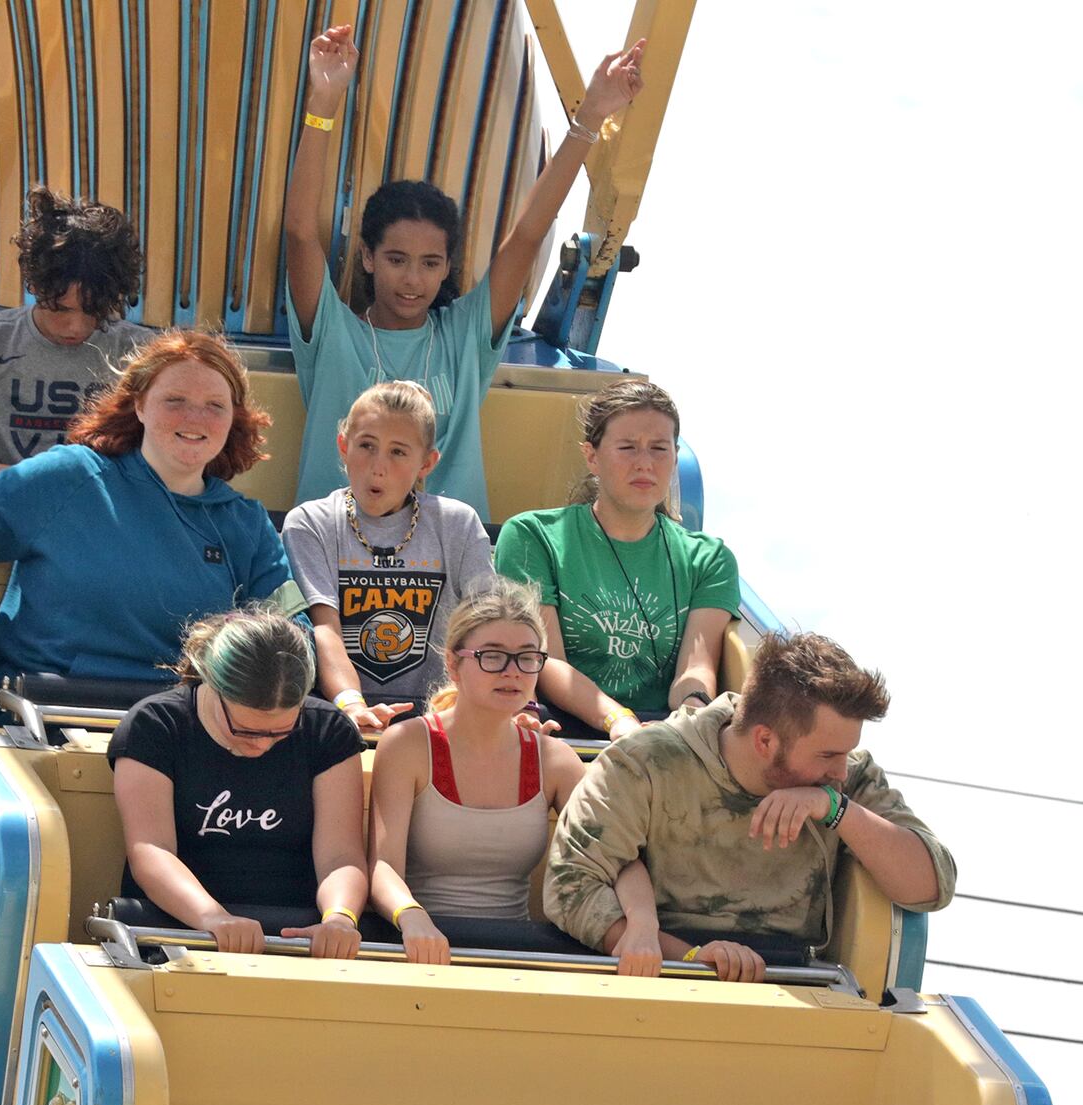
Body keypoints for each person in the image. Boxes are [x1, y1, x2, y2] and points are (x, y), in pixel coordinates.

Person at [283, 25, 645, 519]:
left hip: (448, 571)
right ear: (367, 257)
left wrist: (589, 117)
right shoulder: (333, 332)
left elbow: (526, 236)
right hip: (337, 557)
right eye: (396, 260)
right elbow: (301, 233)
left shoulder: (463, 335)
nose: (413, 279)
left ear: (447, 266)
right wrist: (323, 102)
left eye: (430, 263)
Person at [0, 330, 303, 720]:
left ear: (233, 420)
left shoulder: (247, 524)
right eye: (175, 400)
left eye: (215, 406)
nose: (195, 418)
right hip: (40, 716)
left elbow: (295, 636)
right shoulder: (72, 477)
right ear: (139, 404)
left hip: (182, 731)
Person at [544, 631, 957, 982]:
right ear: (765, 741)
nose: (840, 775)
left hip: (793, 982)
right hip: (658, 984)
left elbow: (931, 886)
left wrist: (836, 811)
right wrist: (691, 957)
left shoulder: (847, 780)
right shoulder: (646, 762)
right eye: (827, 755)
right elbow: (570, 884)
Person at [368, 577, 663, 972]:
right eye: (492, 656)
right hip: (416, 949)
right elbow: (382, 865)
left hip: (514, 956)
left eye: (527, 657)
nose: (512, 672)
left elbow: (617, 857)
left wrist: (643, 925)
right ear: (453, 664)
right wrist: (412, 916)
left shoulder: (555, 761)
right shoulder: (406, 744)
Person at [109, 607, 368, 959]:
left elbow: (340, 855)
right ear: (214, 686)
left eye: (281, 732)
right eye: (245, 730)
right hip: (183, 934)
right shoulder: (155, 726)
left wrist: (340, 918)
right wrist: (213, 918)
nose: (262, 744)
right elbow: (152, 850)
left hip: (296, 935)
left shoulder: (327, 731)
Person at [495, 380, 739, 741]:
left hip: (660, 737)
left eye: (659, 448)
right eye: (627, 447)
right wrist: (618, 720)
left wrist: (688, 721)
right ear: (592, 456)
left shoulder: (710, 558)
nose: (644, 463)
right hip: (559, 735)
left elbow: (696, 668)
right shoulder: (533, 536)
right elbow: (544, 661)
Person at [282, 381, 493, 731]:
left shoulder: (457, 523)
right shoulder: (310, 523)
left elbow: (486, 629)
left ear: (427, 463)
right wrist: (352, 705)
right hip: (341, 713)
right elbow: (326, 630)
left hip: (439, 717)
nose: (378, 466)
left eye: (398, 452)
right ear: (343, 446)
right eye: (366, 445)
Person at [0, 186, 153, 485]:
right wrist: (45, 485)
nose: (75, 327)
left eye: (93, 312)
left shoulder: (142, 352)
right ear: (35, 286)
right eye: (60, 309)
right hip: (9, 507)